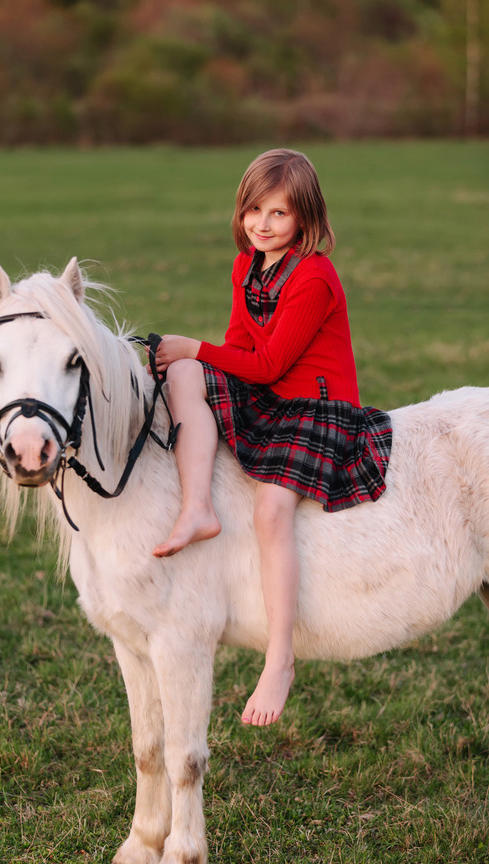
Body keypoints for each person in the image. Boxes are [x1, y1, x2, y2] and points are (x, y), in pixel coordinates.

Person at [150, 149, 392, 727]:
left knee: (270, 510)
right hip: (270, 395)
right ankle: (198, 507)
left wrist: (194, 346)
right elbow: (239, 346)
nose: (263, 223)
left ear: (304, 218)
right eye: (254, 209)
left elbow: (270, 362)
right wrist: (190, 359)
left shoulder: (315, 277)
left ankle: (280, 658)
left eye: (279, 213)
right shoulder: (246, 266)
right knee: (183, 375)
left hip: (317, 407)